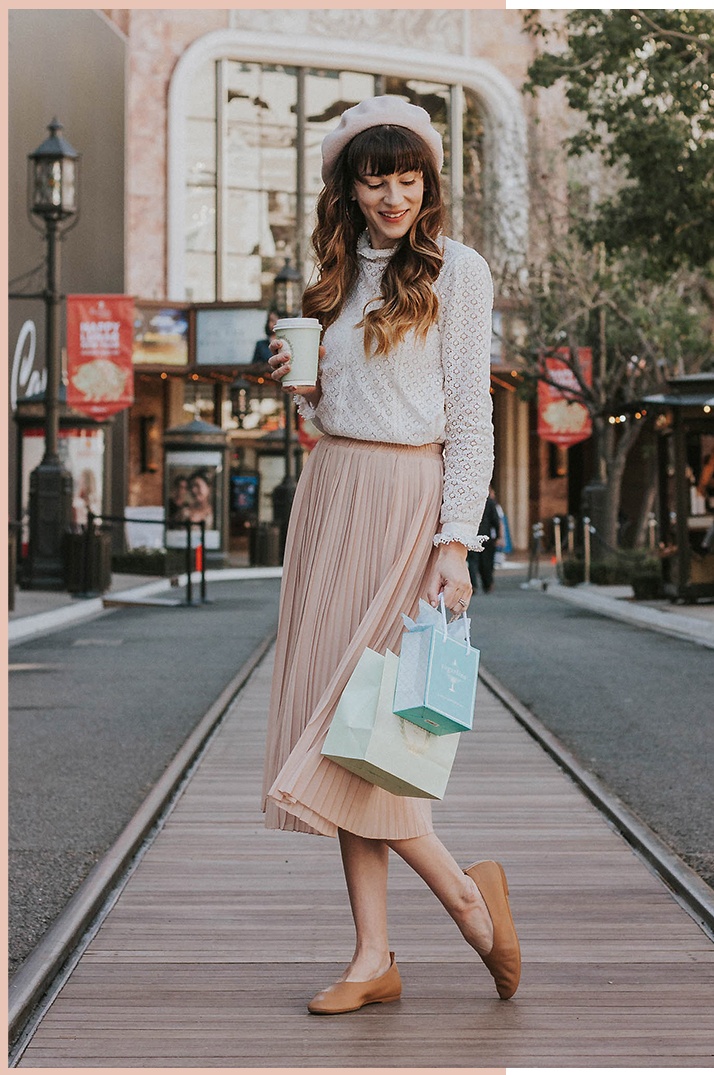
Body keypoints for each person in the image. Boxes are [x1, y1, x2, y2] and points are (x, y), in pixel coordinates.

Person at [261, 96, 520, 1015]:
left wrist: (457, 540)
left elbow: (471, 419)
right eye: (376, 178)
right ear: (349, 184)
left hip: (412, 501)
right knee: (347, 725)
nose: (394, 195)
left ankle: (463, 898)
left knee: (363, 721)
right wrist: (301, 394)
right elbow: (328, 414)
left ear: (428, 181)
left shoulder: (459, 270)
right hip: (332, 499)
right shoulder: (330, 278)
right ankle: (373, 952)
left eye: (408, 177)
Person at [467, 486, 502, 593]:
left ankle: (473, 585)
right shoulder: (489, 502)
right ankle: (487, 584)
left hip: (471, 535)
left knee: (472, 562)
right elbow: (495, 520)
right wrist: (498, 536)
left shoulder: (469, 501)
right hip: (486, 536)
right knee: (486, 562)